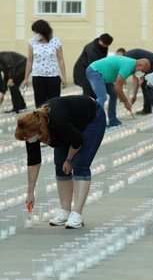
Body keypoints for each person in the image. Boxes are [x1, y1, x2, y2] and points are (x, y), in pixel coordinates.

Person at [15, 96, 106, 229]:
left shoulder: (57, 122)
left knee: (80, 164)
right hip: (71, 125)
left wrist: (69, 160)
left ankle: (77, 213)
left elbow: (77, 141)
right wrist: (30, 192)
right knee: (59, 165)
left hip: (92, 118)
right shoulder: (31, 130)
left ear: (37, 130)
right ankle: (65, 210)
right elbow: (33, 161)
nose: (28, 140)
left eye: (28, 137)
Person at [85, 54, 152, 127]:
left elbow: (122, 82)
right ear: (140, 66)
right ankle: (94, 122)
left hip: (104, 75)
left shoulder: (133, 66)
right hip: (95, 71)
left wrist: (131, 95)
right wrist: (126, 102)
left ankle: (112, 120)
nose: (142, 74)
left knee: (113, 95)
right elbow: (117, 86)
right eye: (142, 71)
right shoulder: (129, 66)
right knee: (102, 97)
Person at [23, 19, 66, 107]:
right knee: (40, 103)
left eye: (37, 32)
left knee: (54, 103)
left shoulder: (55, 41)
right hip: (38, 76)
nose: (36, 34)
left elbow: (61, 60)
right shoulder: (32, 42)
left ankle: (53, 120)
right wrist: (26, 78)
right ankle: (41, 120)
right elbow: (30, 60)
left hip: (53, 76)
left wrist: (64, 77)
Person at [124, 48, 153, 114]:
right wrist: (134, 95)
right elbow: (136, 77)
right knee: (149, 84)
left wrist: (134, 95)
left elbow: (135, 78)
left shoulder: (127, 58)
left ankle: (148, 108)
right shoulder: (130, 56)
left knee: (146, 85)